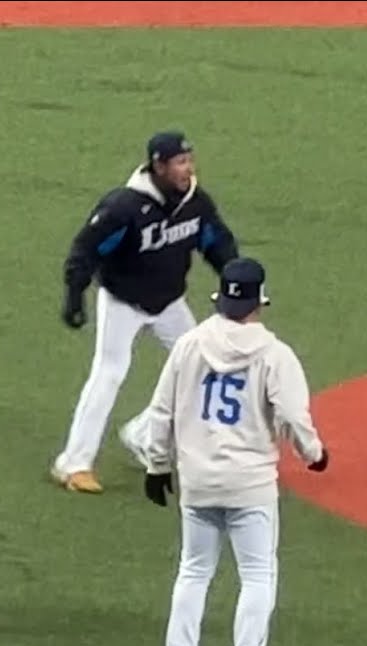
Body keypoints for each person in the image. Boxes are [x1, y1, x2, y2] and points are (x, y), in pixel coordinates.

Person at [120, 257, 329, 646]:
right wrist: (314, 453)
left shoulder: (189, 345)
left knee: (194, 571)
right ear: (259, 301)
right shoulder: (275, 355)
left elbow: (161, 411)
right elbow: (293, 416)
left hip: (197, 480)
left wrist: (158, 466)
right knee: (257, 575)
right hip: (250, 484)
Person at [53, 130, 241, 494]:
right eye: (180, 162)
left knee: (205, 367)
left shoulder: (195, 202)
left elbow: (217, 243)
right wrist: (75, 294)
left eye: (189, 160)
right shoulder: (123, 207)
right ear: (159, 165)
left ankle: (144, 434)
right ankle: (73, 464)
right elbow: (86, 250)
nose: (188, 169)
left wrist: (235, 280)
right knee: (109, 374)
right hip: (123, 302)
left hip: (169, 303)